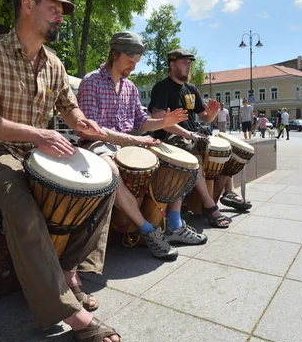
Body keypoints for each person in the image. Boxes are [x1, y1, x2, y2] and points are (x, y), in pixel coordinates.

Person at [0, 0, 121, 342]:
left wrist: (82, 122)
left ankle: (66, 272)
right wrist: (36, 134)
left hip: (37, 152)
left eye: (62, 12)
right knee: (22, 204)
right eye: (54, 9)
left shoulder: (54, 64)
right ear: (27, 6)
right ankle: (72, 316)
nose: (60, 18)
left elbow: (69, 107)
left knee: (105, 181)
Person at [77, 31, 206, 261]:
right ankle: (147, 230)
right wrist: (135, 140)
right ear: (114, 54)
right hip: (99, 142)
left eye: (136, 63)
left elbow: (140, 122)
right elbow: (90, 129)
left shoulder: (130, 87)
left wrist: (163, 123)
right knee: (111, 171)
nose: (133, 68)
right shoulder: (91, 81)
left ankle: (174, 225)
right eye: (130, 61)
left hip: (130, 142)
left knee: (177, 161)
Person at [148, 49, 231, 228]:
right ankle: (209, 205)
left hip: (191, 136)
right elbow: (159, 120)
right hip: (170, 138)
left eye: (189, 63)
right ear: (172, 64)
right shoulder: (162, 87)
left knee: (226, 148)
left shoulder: (191, 89)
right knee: (192, 152)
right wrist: (190, 135)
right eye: (184, 63)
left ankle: (228, 193)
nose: (188, 67)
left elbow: (204, 117)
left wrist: (212, 113)